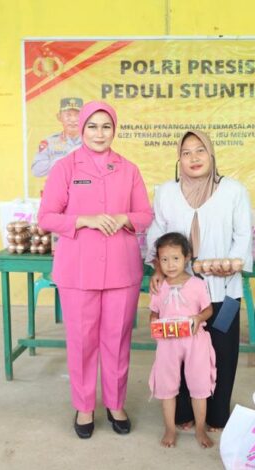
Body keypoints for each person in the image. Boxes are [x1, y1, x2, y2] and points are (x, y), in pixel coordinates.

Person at [38, 100, 153, 439]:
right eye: (92, 126)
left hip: (121, 269)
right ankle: (84, 406)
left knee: (117, 340)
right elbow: (46, 217)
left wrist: (123, 218)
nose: (99, 133)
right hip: (77, 271)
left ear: (114, 130)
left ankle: (116, 404)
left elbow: (145, 215)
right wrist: (83, 220)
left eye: (106, 127)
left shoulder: (129, 169)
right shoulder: (65, 168)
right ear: (82, 129)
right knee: (81, 341)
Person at [146, 130, 252, 432]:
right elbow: (157, 233)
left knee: (223, 351)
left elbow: (243, 234)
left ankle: (217, 415)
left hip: (225, 291)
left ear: (211, 154)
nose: (194, 158)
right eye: (186, 152)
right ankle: (183, 413)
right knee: (179, 350)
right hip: (180, 293)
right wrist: (157, 267)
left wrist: (230, 263)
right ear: (178, 159)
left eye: (200, 150)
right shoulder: (166, 192)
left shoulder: (233, 190)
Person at [148, 232, 216, 449]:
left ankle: (199, 428)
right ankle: (169, 428)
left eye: (175, 258)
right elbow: (154, 311)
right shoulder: (159, 286)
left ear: (186, 257)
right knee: (166, 384)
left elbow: (208, 309)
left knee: (199, 384)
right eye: (164, 259)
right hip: (168, 343)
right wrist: (153, 321)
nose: (170, 265)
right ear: (158, 261)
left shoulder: (197, 284)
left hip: (195, 341)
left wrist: (198, 318)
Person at [31, 97, 84, 177]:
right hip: (59, 183)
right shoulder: (49, 142)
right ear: (59, 117)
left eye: (77, 115)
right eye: (68, 115)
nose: (73, 119)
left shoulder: (92, 142)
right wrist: (64, 160)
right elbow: (37, 171)